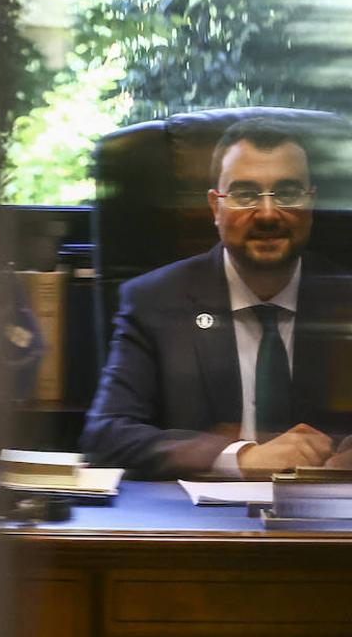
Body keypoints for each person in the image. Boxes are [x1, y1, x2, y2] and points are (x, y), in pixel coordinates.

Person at [82, 117, 352, 479]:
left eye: (287, 193)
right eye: (245, 194)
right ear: (215, 207)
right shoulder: (154, 302)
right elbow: (106, 435)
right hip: (204, 528)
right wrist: (239, 458)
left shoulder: (343, 303)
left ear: (311, 204)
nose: (268, 214)